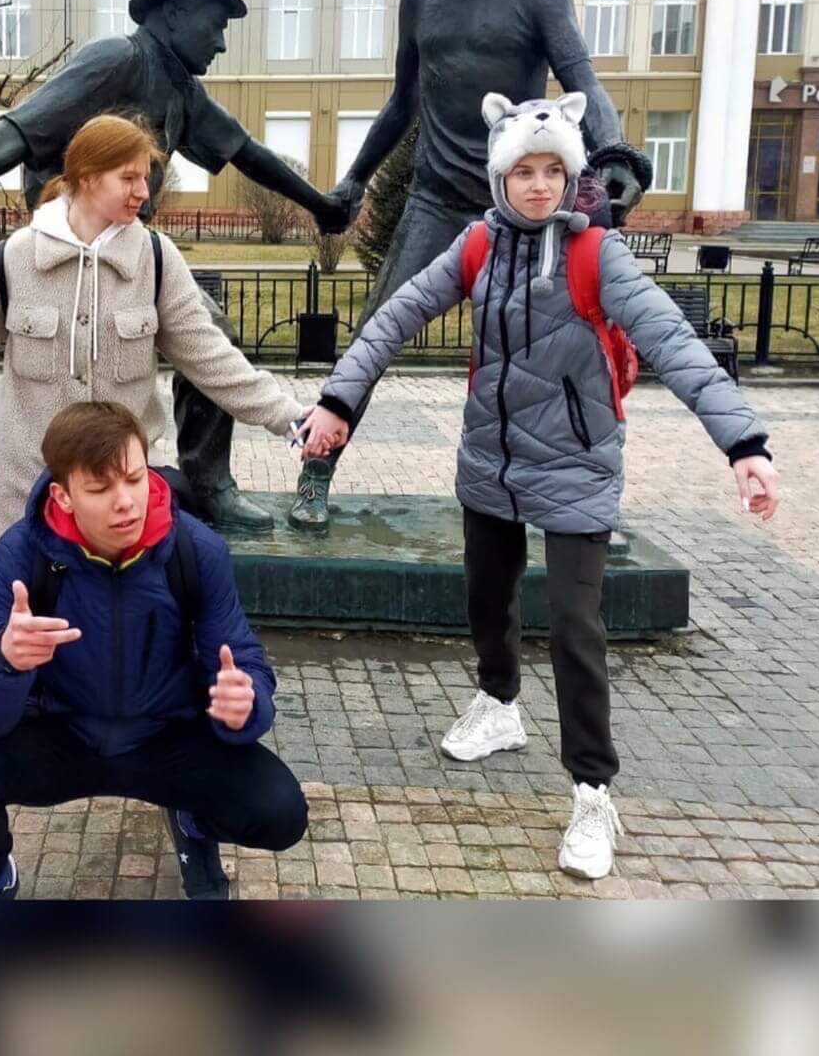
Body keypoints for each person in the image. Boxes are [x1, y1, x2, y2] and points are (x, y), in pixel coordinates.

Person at [298, 92, 782, 881]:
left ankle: (593, 791)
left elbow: (673, 340)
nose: (537, 184)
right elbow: (394, 317)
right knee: (486, 597)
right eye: (523, 170)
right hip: (491, 460)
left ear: (570, 175)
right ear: (501, 176)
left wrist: (744, 443)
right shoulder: (478, 245)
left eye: (552, 170)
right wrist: (338, 400)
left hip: (577, 464)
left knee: (573, 624)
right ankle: (498, 704)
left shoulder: (596, 254)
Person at [0, 0, 345, 533]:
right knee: (58, 362)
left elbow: (248, 152)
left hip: (122, 245)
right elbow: (17, 131)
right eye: (216, 24)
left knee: (199, 337)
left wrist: (319, 204)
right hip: (61, 244)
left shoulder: (181, 89)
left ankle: (207, 482)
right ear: (175, 13)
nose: (222, 43)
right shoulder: (118, 60)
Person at [290, 0, 655, 534]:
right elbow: (402, 103)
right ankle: (317, 467)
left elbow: (581, 79)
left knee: (569, 348)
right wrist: (356, 179)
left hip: (520, 206)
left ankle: (582, 501)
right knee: (375, 332)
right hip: (435, 198)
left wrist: (612, 153)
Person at [0, 114, 308, 541]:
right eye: (129, 178)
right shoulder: (16, 259)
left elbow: (214, 360)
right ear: (88, 177)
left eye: (146, 178)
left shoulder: (157, 262)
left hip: (120, 508)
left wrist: (291, 419)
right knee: (28, 616)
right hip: (26, 503)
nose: (144, 192)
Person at [0, 401, 308, 899]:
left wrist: (245, 703)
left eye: (134, 478)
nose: (125, 501)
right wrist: (4, 659)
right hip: (61, 734)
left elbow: (242, 658)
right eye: (100, 488)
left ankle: (194, 824)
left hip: (167, 736)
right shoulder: (21, 555)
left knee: (280, 812)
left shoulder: (196, 551)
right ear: (63, 496)